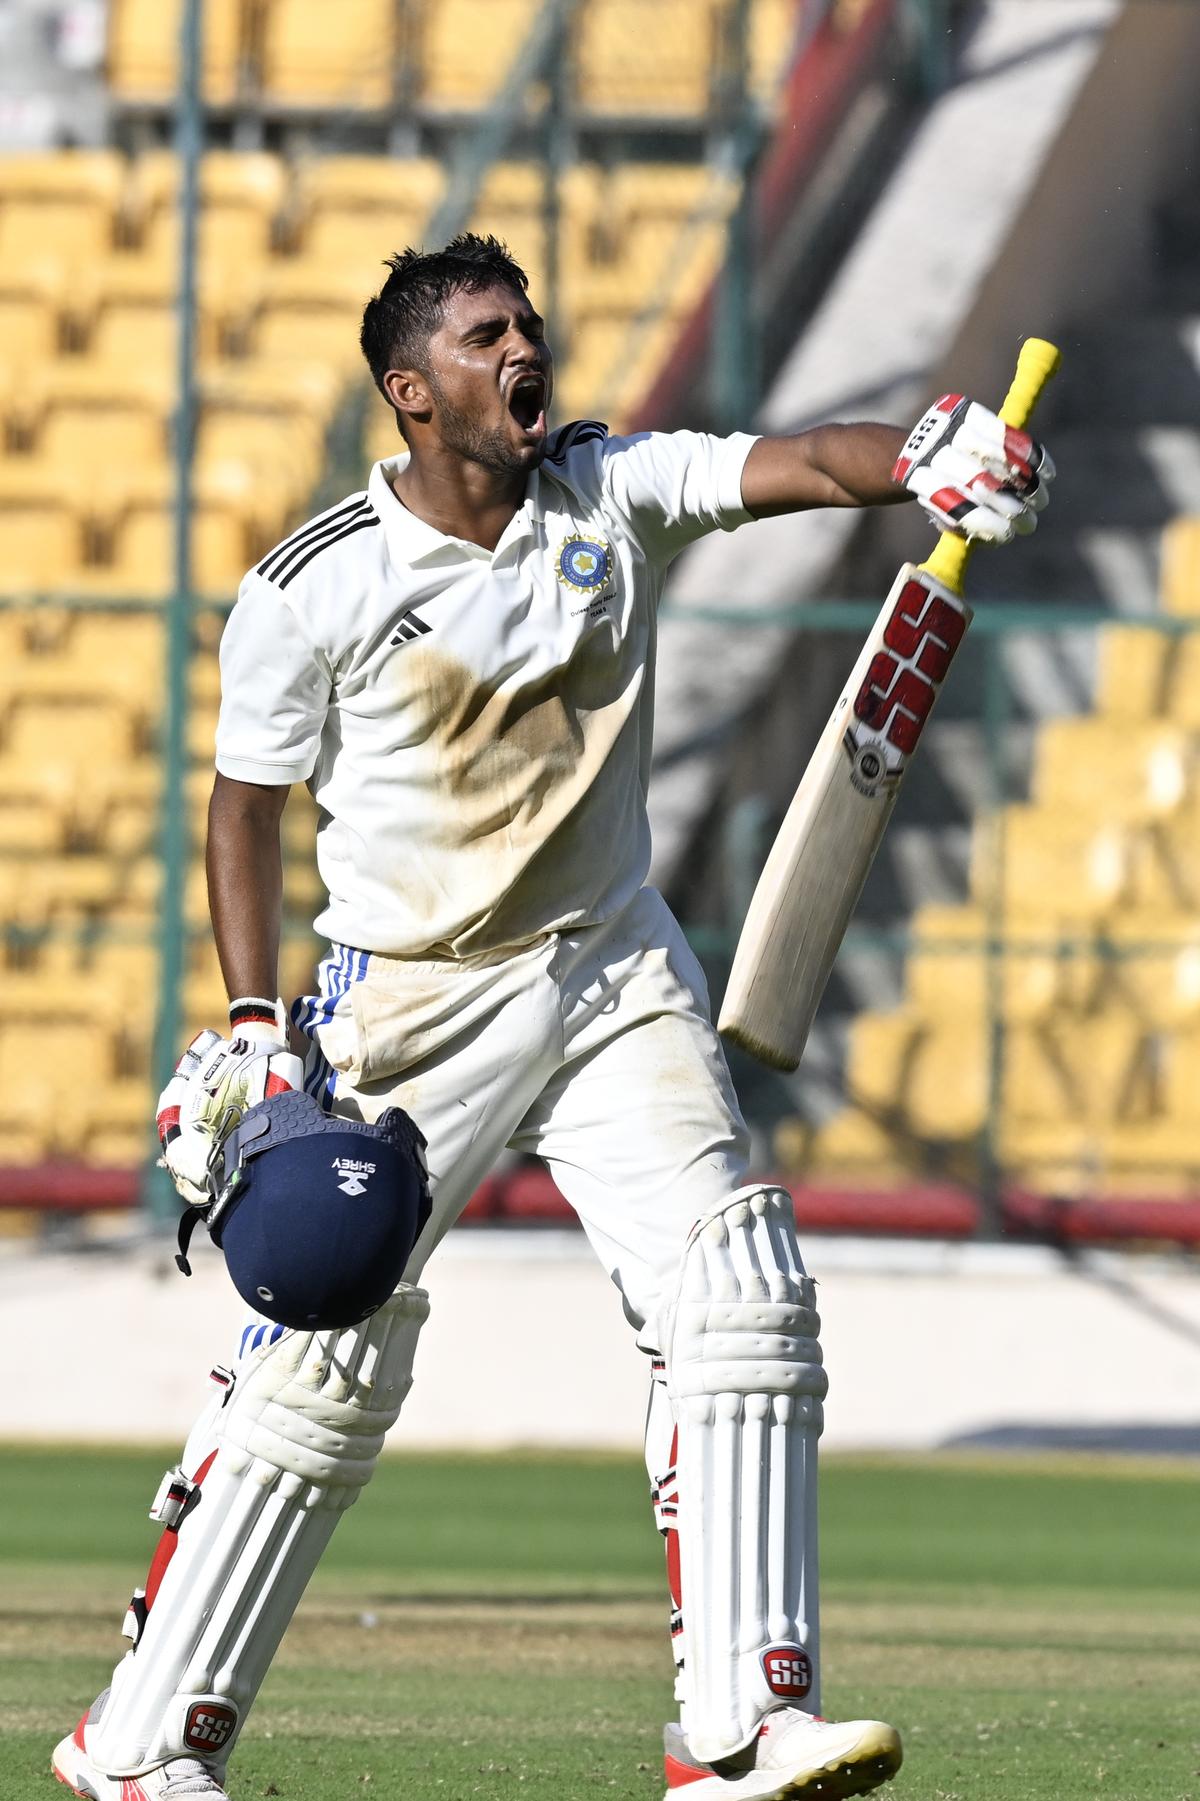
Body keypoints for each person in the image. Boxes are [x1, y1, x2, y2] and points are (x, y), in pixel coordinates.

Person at [53, 233, 1053, 1801]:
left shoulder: (609, 487)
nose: (526, 348)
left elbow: (793, 461)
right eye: (484, 336)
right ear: (412, 393)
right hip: (406, 1001)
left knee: (739, 1291)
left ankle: (740, 1725)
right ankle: (141, 1744)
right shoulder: (317, 585)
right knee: (322, 1364)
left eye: (528, 322)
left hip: (606, 967)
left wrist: (927, 450)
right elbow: (241, 813)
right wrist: (257, 1024)